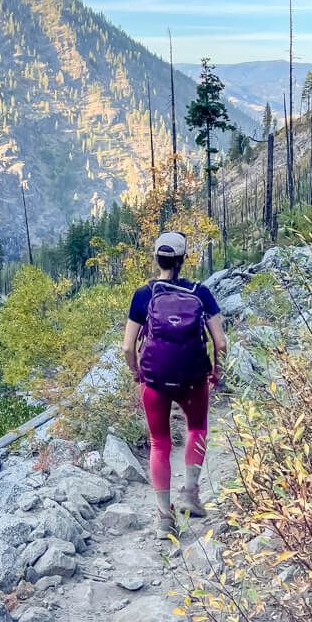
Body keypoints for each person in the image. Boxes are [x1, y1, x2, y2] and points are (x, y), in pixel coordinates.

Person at [122, 231, 227, 539]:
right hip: (193, 377)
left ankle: (163, 517)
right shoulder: (201, 293)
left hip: (154, 378)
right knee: (197, 428)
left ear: (157, 258)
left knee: (159, 443)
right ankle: (191, 494)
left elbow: (128, 347)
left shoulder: (144, 295)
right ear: (183, 261)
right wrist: (216, 372)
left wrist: (136, 372)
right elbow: (220, 342)